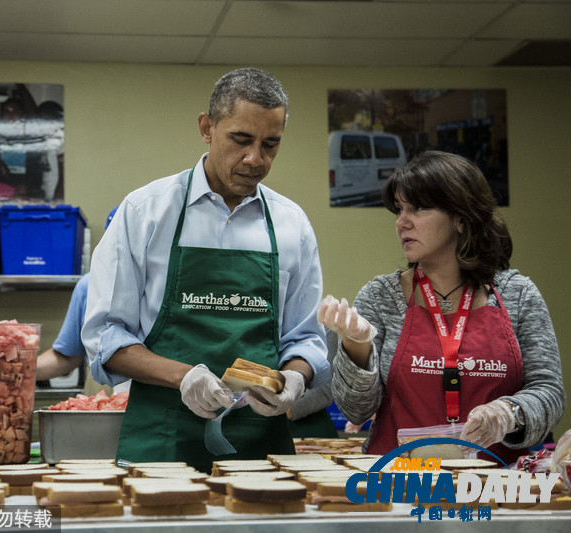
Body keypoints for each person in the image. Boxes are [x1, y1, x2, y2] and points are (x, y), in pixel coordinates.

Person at [81, 68, 328, 472]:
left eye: (270, 145)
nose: (255, 159)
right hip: (162, 440)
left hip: (259, 443)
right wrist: (185, 376)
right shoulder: (147, 211)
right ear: (207, 128)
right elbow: (106, 337)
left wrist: (295, 379)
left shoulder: (291, 223)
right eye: (241, 140)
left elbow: (305, 339)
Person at [321, 150, 565, 464]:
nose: (401, 222)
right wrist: (357, 346)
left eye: (418, 208)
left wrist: (509, 413)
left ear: (460, 218)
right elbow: (355, 410)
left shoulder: (518, 295)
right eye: (399, 209)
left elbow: (549, 391)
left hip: (493, 485)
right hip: (396, 482)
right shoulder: (380, 296)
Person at [35, 207, 125, 390]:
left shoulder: (168, 285)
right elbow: (67, 357)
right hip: (103, 396)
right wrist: (16, 368)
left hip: (156, 398)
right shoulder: (90, 284)